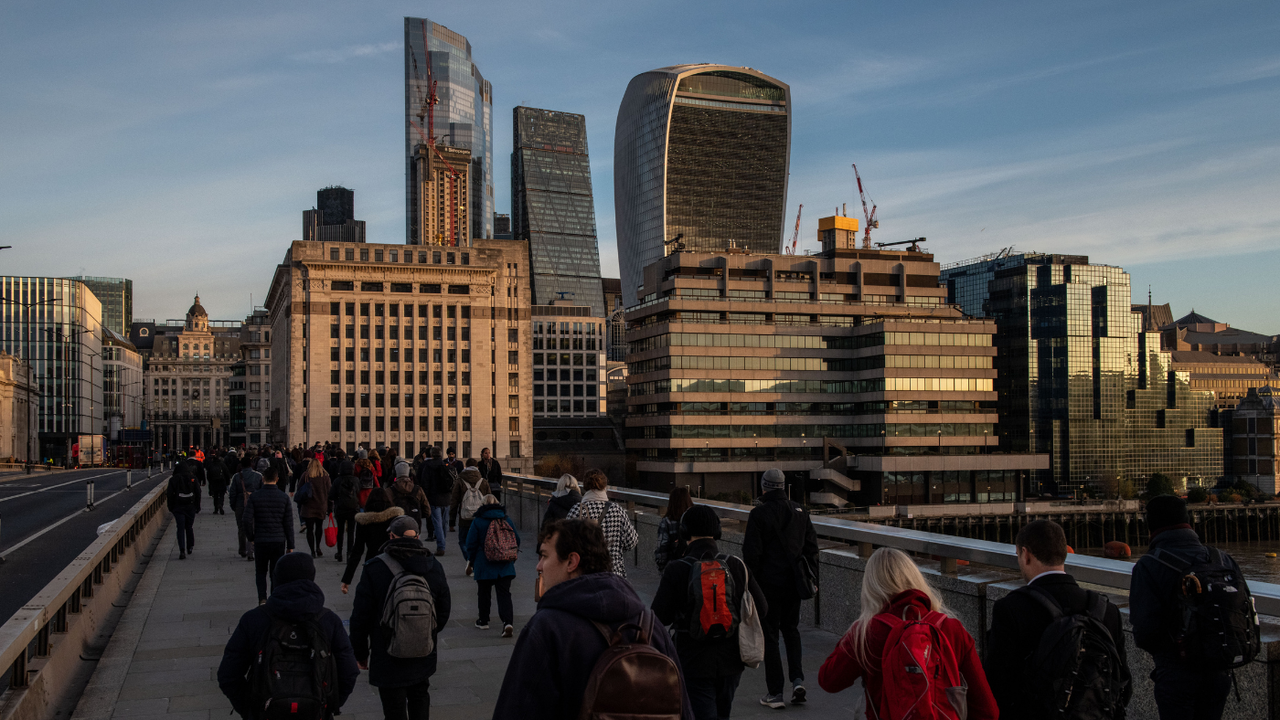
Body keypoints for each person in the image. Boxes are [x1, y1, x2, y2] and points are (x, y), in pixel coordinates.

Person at [492, 519, 693, 720]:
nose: (538, 566)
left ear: (571, 561)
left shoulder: (547, 628)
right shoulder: (649, 624)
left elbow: (516, 708)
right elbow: (683, 708)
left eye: (544, 556)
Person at [819, 547, 999, 720]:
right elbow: (988, 710)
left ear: (871, 588)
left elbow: (828, 679)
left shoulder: (867, 632)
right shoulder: (950, 628)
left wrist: (855, 632)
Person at [985, 519, 1131, 720]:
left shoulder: (1011, 609)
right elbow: (1123, 684)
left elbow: (997, 685)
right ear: (1064, 553)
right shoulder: (1106, 610)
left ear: (1025, 555)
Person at [1131, 495, 1243, 720]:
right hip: (1220, 673)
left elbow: (1144, 633)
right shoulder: (1222, 559)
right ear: (1188, 522)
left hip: (1176, 676)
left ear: (1152, 526)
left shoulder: (1149, 565)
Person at [652, 505, 768, 720]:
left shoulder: (677, 568)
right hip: (731, 659)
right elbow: (762, 608)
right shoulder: (736, 565)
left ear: (685, 532)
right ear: (717, 531)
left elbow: (659, 616)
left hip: (692, 659)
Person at [217, 553, 359, 720]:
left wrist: (251, 710)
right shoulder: (329, 621)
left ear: (277, 579)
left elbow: (228, 675)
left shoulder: (254, 619)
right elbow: (348, 672)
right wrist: (326, 706)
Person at [349, 516, 451, 720]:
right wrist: (424, 631)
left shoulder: (374, 567)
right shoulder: (433, 565)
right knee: (420, 697)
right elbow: (444, 609)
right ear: (418, 536)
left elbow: (361, 616)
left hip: (387, 651)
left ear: (391, 536)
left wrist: (360, 652)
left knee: (393, 707)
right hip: (423, 651)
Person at [742, 468, 818, 708]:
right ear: (784, 487)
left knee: (771, 635)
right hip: (794, 584)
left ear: (764, 487)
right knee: (791, 630)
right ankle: (797, 681)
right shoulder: (800, 512)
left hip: (768, 585)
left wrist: (750, 585)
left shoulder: (759, 514)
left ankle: (775, 693)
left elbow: (751, 555)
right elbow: (811, 549)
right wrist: (810, 578)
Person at [565, 469, 638, 577]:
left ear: (585, 487)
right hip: (614, 575)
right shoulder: (617, 510)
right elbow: (631, 541)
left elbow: (565, 543)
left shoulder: (577, 510)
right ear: (605, 486)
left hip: (585, 575)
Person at [464, 494, 519, 637]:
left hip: (484, 563)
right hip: (505, 563)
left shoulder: (478, 521)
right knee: (504, 594)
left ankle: (483, 620)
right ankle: (507, 622)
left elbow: (470, 544)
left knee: (483, 592)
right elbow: (516, 540)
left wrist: (471, 560)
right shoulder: (506, 520)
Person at [242, 467, 295, 604]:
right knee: (275, 572)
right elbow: (288, 524)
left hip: (261, 539)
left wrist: (251, 537)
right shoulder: (283, 497)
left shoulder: (255, 496)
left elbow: (246, 519)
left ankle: (262, 599)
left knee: (260, 571)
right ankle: (274, 597)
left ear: (263, 478)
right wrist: (290, 545)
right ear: (277, 479)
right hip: (278, 540)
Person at [341, 488, 404, 592]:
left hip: (372, 562)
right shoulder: (396, 519)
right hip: (393, 562)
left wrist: (347, 579)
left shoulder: (364, 521)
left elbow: (357, 551)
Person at [450, 466, 490, 574]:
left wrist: (451, 521)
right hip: (480, 517)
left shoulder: (460, 481)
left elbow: (454, 502)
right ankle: (475, 562)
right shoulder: (483, 482)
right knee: (480, 541)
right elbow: (489, 500)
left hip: (464, 517)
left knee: (462, 540)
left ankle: (469, 560)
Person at [418, 447, 453, 557]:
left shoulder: (428, 466)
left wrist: (425, 499)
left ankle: (441, 546)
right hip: (446, 498)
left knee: (437, 523)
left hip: (434, 498)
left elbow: (425, 483)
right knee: (444, 523)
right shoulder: (446, 465)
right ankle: (442, 542)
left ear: (432, 455)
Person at [296, 457, 333, 558]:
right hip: (321, 505)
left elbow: (299, 488)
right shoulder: (325, 476)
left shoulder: (306, 475)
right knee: (319, 527)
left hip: (308, 506)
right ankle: (318, 547)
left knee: (310, 529)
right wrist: (330, 507)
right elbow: (330, 493)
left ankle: (312, 550)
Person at [229, 455, 264, 561]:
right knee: (253, 528)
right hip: (254, 505)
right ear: (251, 464)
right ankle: (251, 551)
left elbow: (232, 493)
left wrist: (233, 506)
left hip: (240, 504)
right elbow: (262, 491)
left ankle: (242, 549)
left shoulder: (236, 476)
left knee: (241, 528)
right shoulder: (258, 476)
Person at [166, 459, 202, 559]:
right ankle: (190, 546)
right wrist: (197, 506)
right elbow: (198, 493)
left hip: (178, 507)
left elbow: (169, 495)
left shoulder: (173, 479)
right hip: (190, 506)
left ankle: (182, 550)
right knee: (189, 527)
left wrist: (171, 507)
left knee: (180, 528)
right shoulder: (193, 478)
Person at [655, 486, 694, 572]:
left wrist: (662, 567)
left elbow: (662, 548)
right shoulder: (694, 519)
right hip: (693, 567)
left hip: (674, 567)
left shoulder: (667, 522)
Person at [331, 458, 360, 562]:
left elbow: (331, 495)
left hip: (340, 509)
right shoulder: (356, 480)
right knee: (351, 532)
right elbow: (358, 492)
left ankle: (339, 553)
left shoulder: (337, 480)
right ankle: (349, 553)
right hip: (353, 508)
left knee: (340, 531)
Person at [389, 461, 431, 531]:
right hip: (414, 524)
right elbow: (427, 511)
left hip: (396, 524)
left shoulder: (390, 490)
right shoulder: (417, 489)